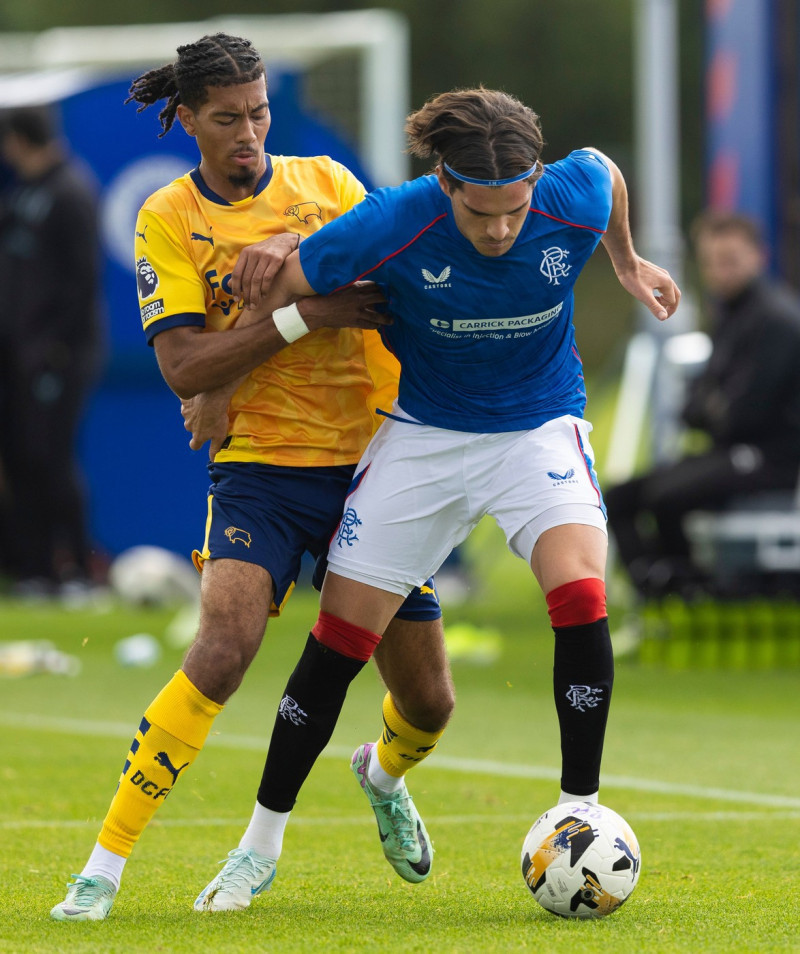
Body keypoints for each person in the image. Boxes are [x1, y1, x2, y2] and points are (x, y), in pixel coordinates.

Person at [185, 86, 680, 904]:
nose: (500, 230)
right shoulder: (391, 221)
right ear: (446, 185)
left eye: (515, 211)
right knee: (340, 641)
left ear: (537, 183)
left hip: (538, 428)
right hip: (426, 436)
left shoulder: (574, 193)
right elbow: (278, 287)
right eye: (481, 214)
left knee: (583, 592)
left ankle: (577, 811)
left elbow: (610, 173)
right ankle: (258, 844)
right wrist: (217, 385)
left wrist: (624, 262)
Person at [50, 33, 452, 922]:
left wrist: (287, 277)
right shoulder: (167, 216)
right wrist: (300, 316)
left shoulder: (328, 186)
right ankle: (103, 868)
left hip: (369, 467)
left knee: (428, 700)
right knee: (223, 649)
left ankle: (380, 774)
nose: (249, 134)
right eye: (227, 119)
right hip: (262, 468)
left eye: (260, 112)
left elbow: (389, 287)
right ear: (188, 120)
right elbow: (185, 368)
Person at [606, 211, 800, 599]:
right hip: (731, 451)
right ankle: (661, 590)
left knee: (666, 497)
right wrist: (711, 408)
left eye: (730, 260)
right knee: (619, 496)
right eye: (710, 262)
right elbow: (701, 402)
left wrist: (710, 409)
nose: (718, 272)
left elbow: (744, 414)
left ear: (758, 257)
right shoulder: (731, 313)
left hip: (770, 458)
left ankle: (694, 593)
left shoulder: (776, 319)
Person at [0, 105, 103, 594]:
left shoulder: (71, 192)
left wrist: (56, 348)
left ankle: (79, 570)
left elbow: (83, 282)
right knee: (23, 457)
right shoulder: (24, 195)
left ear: (17, 140)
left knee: (53, 458)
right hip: (20, 356)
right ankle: (36, 570)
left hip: (59, 355)